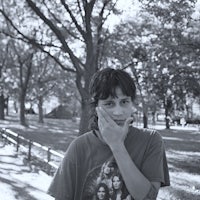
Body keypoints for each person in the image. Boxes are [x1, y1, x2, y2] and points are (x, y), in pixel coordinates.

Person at [47, 68, 170, 200]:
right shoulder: (78, 147)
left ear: (132, 104)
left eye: (124, 102)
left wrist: (117, 145)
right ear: (96, 108)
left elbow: (148, 197)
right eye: (109, 103)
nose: (118, 112)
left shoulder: (151, 140)